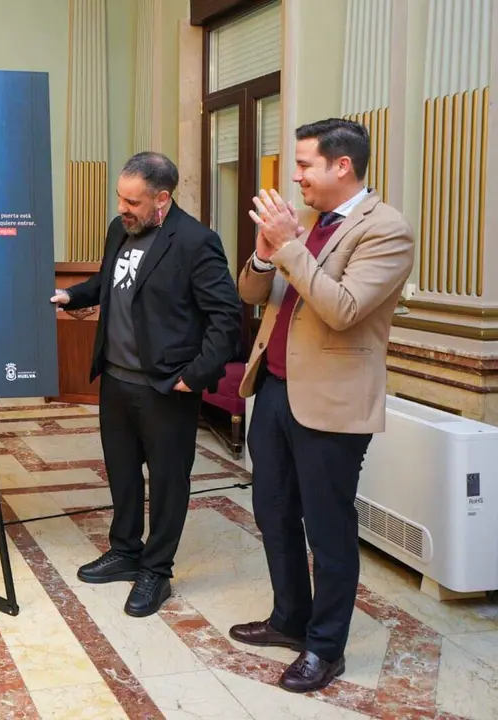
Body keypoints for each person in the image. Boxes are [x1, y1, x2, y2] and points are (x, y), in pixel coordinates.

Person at [230, 119, 414, 693]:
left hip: (331, 404)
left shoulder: (387, 230)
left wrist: (287, 246)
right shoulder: (305, 224)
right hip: (277, 390)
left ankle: (325, 647)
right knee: (274, 512)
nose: (296, 176)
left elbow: (342, 307)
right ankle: (289, 619)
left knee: (329, 529)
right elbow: (251, 295)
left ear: (342, 166)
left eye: (306, 164)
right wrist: (265, 257)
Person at [51, 152, 241, 617]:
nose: (123, 207)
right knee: (121, 471)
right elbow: (110, 282)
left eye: (133, 201)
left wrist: (194, 377)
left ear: (162, 198)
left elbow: (226, 317)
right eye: (120, 197)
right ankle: (125, 550)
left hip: (165, 387)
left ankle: (156, 569)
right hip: (115, 380)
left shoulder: (196, 242)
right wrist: (70, 295)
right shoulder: (121, 230)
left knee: (168, 480)